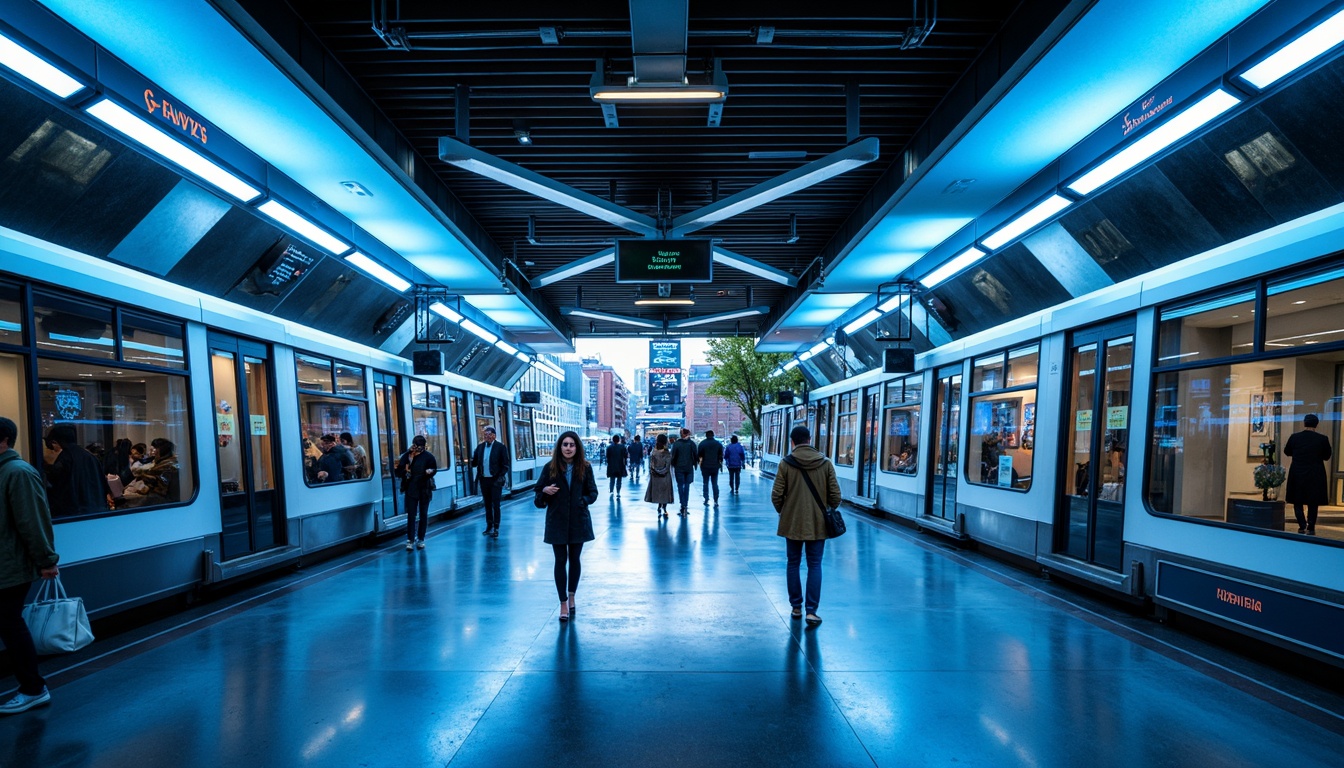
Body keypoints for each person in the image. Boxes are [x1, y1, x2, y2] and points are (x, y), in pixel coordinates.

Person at [0, 416, 60, 715]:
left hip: (9, 567)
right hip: (4, 564)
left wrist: (47, 560)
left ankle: (33, 688)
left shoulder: (18, 473)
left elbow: (33, 522)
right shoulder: (6, 472)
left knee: (11, 625)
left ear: (3, 441)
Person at [772, 425, 841, 628]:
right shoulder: (825, 463)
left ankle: (795, 607)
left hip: (792, 523)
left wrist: (785, 512)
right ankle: (812, 612)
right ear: (810, 439)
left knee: (793, 563)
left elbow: (776, 495)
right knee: (815, 564)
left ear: (792, 441)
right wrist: (826, 510)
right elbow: (836, 496)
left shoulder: (785, 463)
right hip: (818, 524)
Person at [534, 431, 597, 622]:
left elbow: (593, 492)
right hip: (557, 521)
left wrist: (583, 500)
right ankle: (562, 602)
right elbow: (538, 498)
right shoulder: (550, 468)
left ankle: (572, 596)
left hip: (579, 520)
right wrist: (544, 490)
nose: (568, 448)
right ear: (559, 447)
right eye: (565, 444)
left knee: (575, 559)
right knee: (560, 560)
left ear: (577, 447)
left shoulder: (585, 468)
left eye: (572, 445)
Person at [42, 425, 111, 517]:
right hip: (95, 508)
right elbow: (103, 483)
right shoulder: (90, 457)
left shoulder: (64, 458)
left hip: (73, 513)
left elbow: (56, 487)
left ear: (55, 441)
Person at [1284, 414, 1333, 536]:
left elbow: (1287, 451)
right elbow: (1327, 456)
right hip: (1315, 473)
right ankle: (1311, 526)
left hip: (1297, 472)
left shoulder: (1295, 437)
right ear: (1317, 424)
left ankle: (1301, 525)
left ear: (1304, 423)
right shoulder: (1322, 439)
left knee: (1297, 500)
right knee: (1313, 501)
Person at [396, 435, 438, 549]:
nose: (418, 449)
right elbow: (398, 471)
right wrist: (405, 468)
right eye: (416, 446)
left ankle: (421, 538)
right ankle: (410, 538)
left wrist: (430, 471)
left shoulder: (428, 457)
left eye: (420, 447)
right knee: (411, 515)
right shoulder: (407, 456)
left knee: (423, 514)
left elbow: (434, 468)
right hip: (411, 488)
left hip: (424, 488)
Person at [471, 426, 511, 538]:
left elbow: (505, 464)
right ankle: (489, 526)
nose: (486, 437)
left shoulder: (500, 447)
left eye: (489, 435)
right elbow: (474, 463)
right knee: (487, 504)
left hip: (495, 480)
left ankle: (496, 527)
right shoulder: (480, 447)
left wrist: (500, 476)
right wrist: (471, 461)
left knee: (496, 504)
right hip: (484, 479)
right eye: (485, 435)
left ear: (494, 436)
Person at [121, 438, 179, 507]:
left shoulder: (166, 467)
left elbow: (158, 490)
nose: (152, 452)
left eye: (155, 448)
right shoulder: (166, 463)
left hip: (162, 501)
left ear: (161, 450)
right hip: (159, 498)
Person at [644, 433, 674, 518]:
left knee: (657, 492)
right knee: (665, 492)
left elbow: (651, 465)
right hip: (665, 476)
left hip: (655, 476)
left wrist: (655, 471)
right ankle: (664, 507)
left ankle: (659, 506)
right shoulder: (667, 452)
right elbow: (667, 466)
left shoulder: (653, 452)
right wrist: (663, 471)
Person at [669, 428, 697, 516]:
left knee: (680, 486)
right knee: (687, 486)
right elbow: (695, 455)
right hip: (688, 468)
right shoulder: (692, 443)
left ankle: (683, 504)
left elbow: (673, 456)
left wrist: (672, 465)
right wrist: (695, 464)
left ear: (681, 434)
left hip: (679, 468)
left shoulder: (676, 444)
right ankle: (685, 504)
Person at [697, 429, 724, 506]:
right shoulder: (718, 444)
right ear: (713, 435)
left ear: (706, 435)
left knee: (705, 483)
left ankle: (706, 498)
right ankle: (716, 499)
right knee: (714, 483)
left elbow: (699, 455)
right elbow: (721, 456)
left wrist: (699, 463)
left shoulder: (702, 444)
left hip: (705, 466)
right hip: (715, 466)